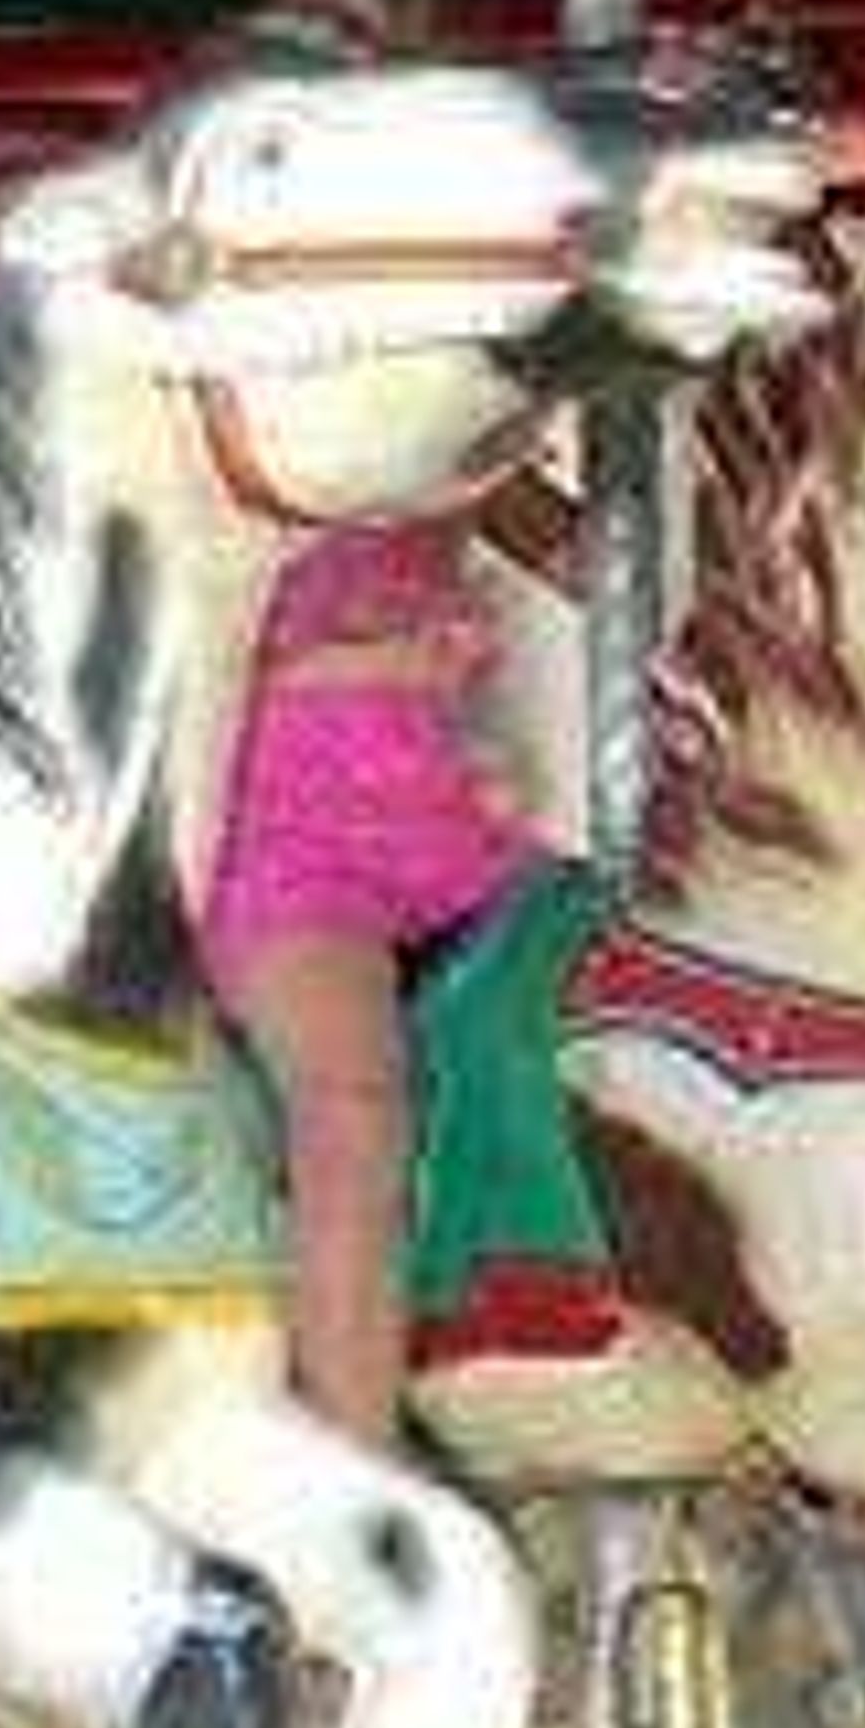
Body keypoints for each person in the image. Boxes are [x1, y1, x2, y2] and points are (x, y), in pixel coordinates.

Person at [202, 518, 542, 1441]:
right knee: (351, 1107)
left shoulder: (438, 458)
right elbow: (176, 664)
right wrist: (379, 660)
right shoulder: (209, 448)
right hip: (283, 841)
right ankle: (359, 1471)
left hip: (465, 831)